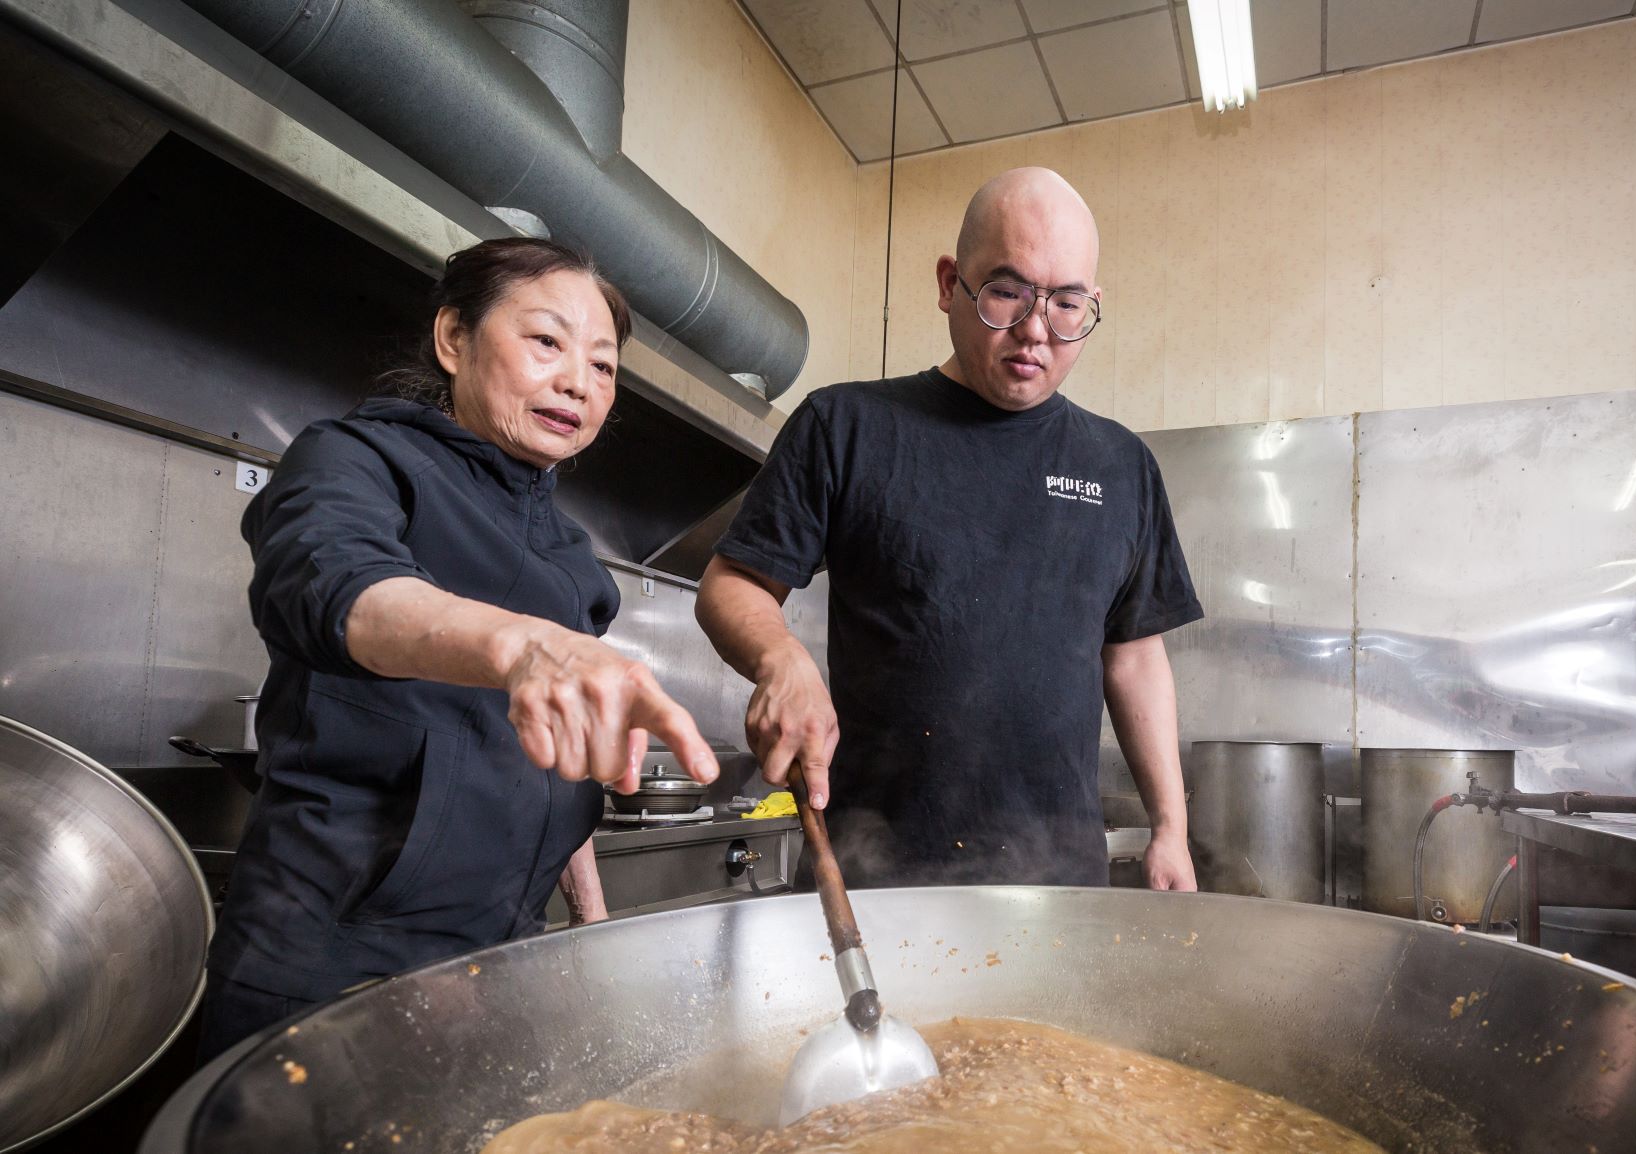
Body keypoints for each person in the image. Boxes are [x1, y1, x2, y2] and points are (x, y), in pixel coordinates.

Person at [198, 237, 718, 1061]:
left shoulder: (572, 556)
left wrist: (590, 918)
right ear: (452, 338)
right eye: (546, 341)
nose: (579, 382)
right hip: (336, 950)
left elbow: (564, 753)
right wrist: (519, 646)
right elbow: (330, 581)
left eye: (604, 366)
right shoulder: (355, 460)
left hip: (504, 951)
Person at [696, 167, 1202, 890]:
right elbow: (731, 583)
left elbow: (1134, 659)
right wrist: (781, 659)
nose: (1035, 331)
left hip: (1058, 889)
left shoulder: (1122, 465)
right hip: (875, 880)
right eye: (1006, 292)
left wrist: (1171, 830)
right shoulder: (846, 427)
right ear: (947, 284)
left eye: (1066, 305)